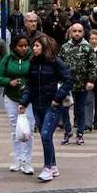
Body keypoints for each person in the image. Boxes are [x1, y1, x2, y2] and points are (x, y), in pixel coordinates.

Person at [20, 36, 72, 182]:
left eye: (36, 46)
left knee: (45, 134)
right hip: (37, 104)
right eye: (33, 46)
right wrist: (24, 102)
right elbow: (29, 84)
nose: (33, 48)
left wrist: (57, 98)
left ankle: (47, 168)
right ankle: (53, 166)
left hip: (53, 105)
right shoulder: (33, 63)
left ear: (44, 47)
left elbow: (68, 80)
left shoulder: (55, 62)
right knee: (46, 136)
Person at [0, 34, 34, 174]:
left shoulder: (33, 58)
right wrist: (8, 82)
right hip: (11, 98)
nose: (23, 48)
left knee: (28, 130)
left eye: (25, 45)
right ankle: (17, 159)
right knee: (15, 130)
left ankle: (27, 161)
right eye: (20, 46)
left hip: (29, 99)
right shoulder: (8, 58)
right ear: (14, 46)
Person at [58, 23, 96, 145]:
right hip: (67, 85)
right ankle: (68, 131)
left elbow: (93, 66)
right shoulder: (65, 47)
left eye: (79, 31)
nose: (77, 33)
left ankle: (80, 133)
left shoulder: (87, 47)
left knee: (80, 110)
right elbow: (59, 64)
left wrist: (91, 80)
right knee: (64, 108)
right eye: (74, 31)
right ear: (71, 32)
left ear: (83, 33)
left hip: (82, 84)